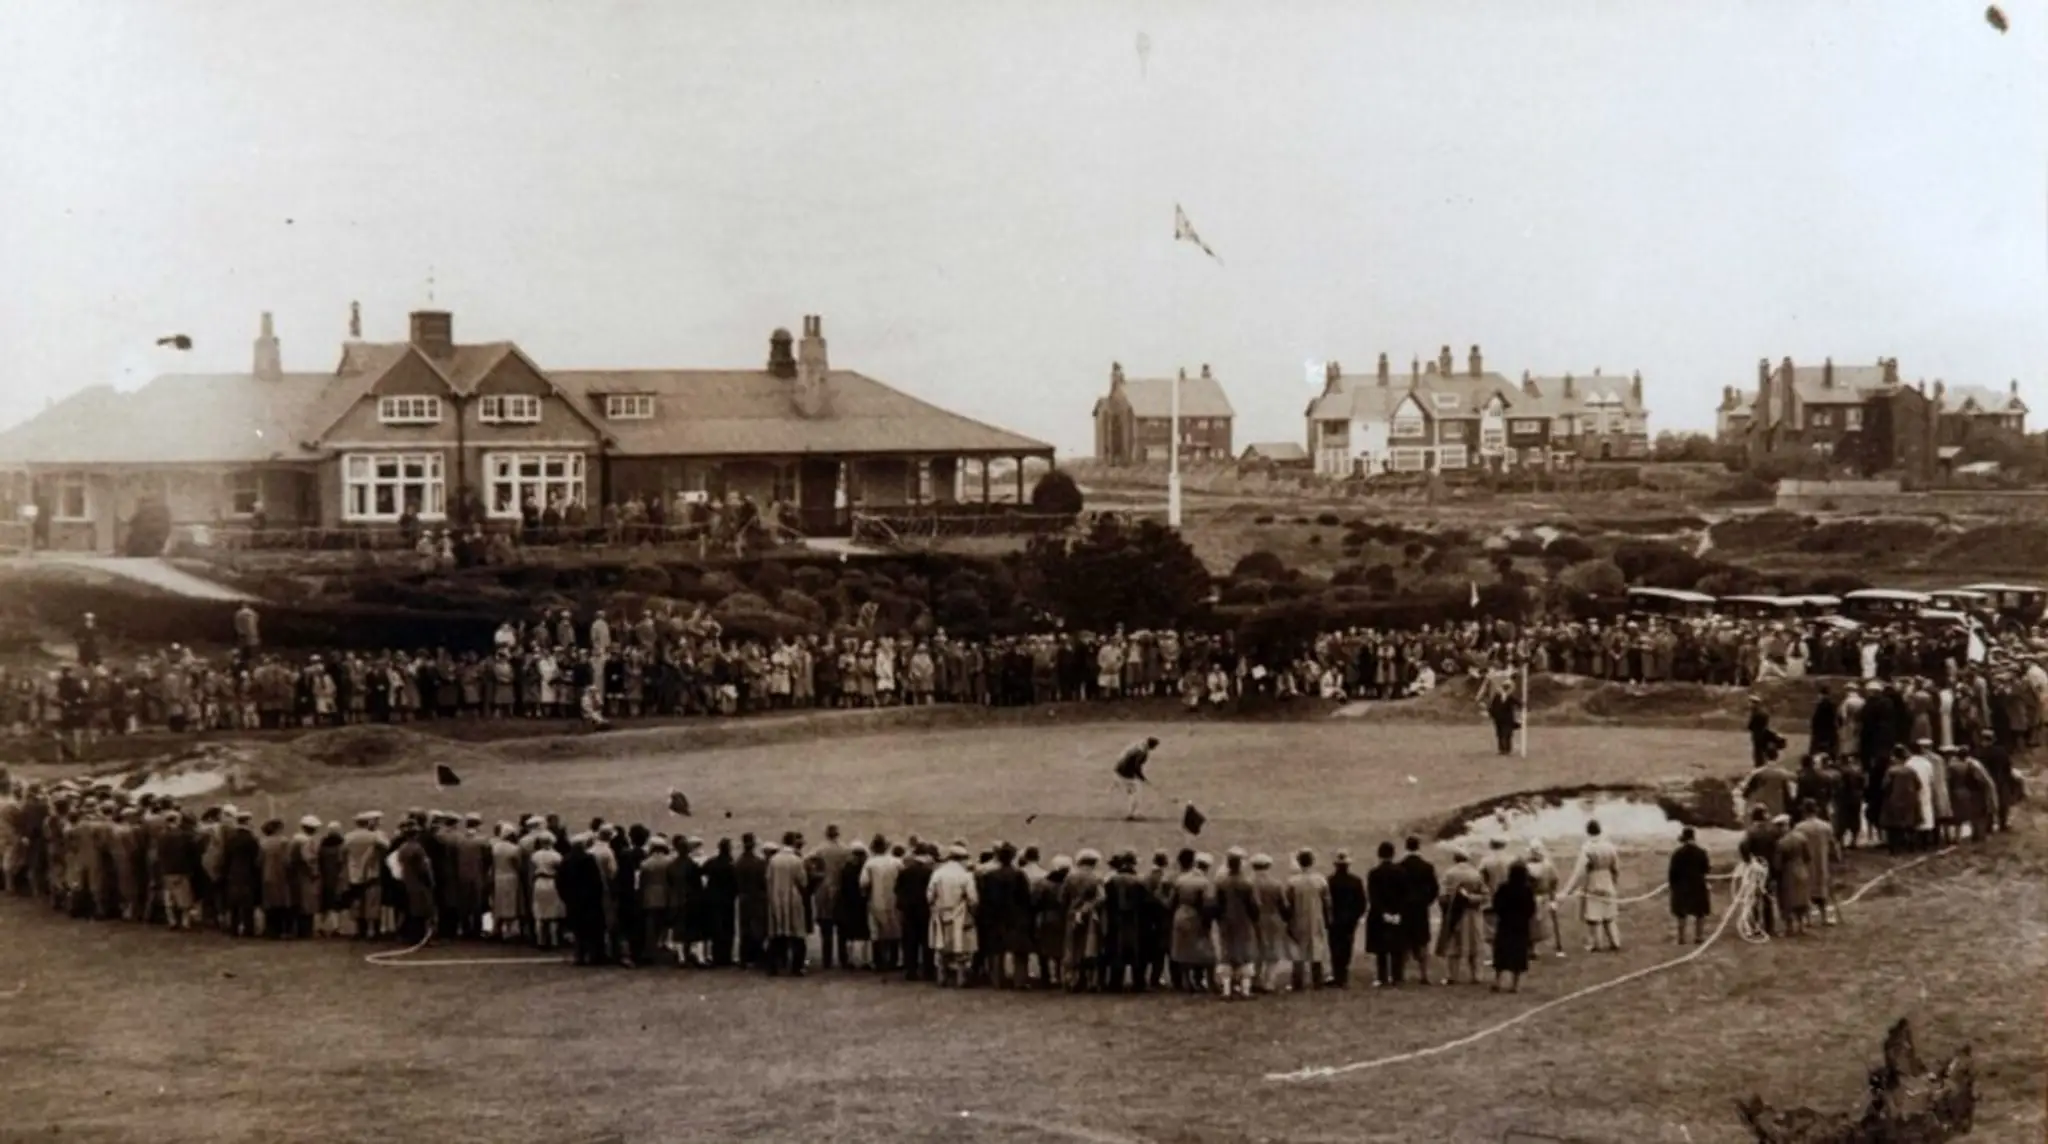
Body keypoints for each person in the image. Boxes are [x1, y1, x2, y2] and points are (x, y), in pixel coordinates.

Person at [1560, 820, 1621, 953]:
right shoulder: (1609, 846)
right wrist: (1614, 882)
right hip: (1607, 881)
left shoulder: (1587, 847)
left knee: (1595, 917)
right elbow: (1616, 868)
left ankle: (1597, 944)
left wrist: (1566, 891)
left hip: (1594, 881)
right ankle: (1615, 942)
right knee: (1609, 915)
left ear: (1588, 832)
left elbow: (1579, 871)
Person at [1364, 841, 1407, 987]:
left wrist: (1383, 913)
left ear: (1379, 855)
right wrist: (1398, 913)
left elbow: (1373, 896)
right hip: (1398, 913)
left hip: (1379, 914)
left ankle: (1382, 977)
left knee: (1381, 949)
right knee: (1397, 948)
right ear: (1393, 854)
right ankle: (1397, 977)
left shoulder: (1374, 873)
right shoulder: (1401, 872)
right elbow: (1405, 895)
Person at [1490, 862, 1537, 993]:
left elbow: (1496, 904)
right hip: (1521, 926)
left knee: (1501, 953)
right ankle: (1515, 985)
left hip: (1505, 924)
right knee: (1518, 954)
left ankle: (1497, 981)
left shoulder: (1503, 888)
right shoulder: (1527, 890)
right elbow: (1531, 909)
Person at [1325, 849, 1365, 989]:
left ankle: (1337, 974)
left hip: (1334, 920)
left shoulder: (1329, 881)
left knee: (1335, 947)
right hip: (1349, 920)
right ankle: (1343, 974)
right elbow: (1361, 903)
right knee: (1347, 946)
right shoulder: (1356, 881)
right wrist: (1355, 917)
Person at [1666, 826, 1711, 944]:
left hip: (1682, 886)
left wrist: (1673, 886)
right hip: (1698, 885)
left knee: (1681, 913)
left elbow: (1672, 873)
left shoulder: (1677, 854)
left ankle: (1681, 938)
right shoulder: (1702, 852)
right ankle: (1699, 936)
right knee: (1700, 912)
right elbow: (1706, 869)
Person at [1113, 736, 1160, 821]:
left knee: (1132, 791)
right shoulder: (1142, 753)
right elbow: (1136, 767)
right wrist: (1142, 778)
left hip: (1120, 770)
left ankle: (1133, 813)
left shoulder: (1139, 746)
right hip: (1125, 773)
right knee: (1136, 793)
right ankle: (1132, 814)